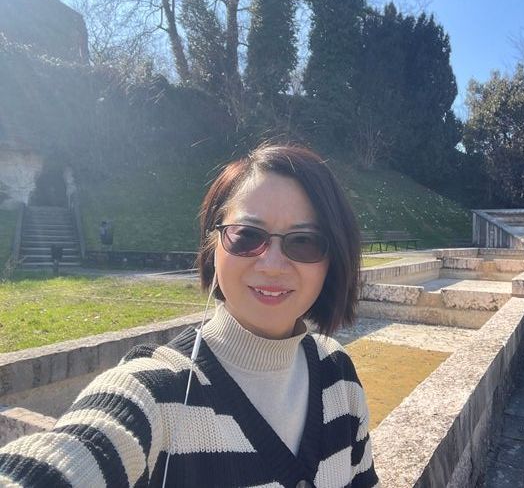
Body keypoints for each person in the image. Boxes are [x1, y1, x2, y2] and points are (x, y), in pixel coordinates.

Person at [0, 144, 379, 488]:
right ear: (214, 245)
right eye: (248, 235)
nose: (273, 264)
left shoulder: (338, 374)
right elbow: (74, 453)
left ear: (334, 258)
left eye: (305, 241)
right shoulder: (155, 392)